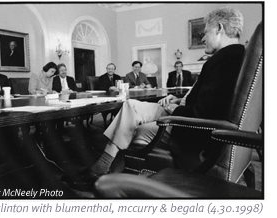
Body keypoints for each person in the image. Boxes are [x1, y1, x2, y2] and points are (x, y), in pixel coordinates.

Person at [63, 6, 245, 191]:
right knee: (130, 106)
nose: (203, 37)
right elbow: (210, 101)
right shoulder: (237, 57)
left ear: (220, 28)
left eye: (206, 32)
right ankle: (105, 171)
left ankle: (101, 169)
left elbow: (204, 113)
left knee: (127, 125)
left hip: (188, 127)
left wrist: (176, 110)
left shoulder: (223, 60)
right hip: (187, 117)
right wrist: (176, 101)